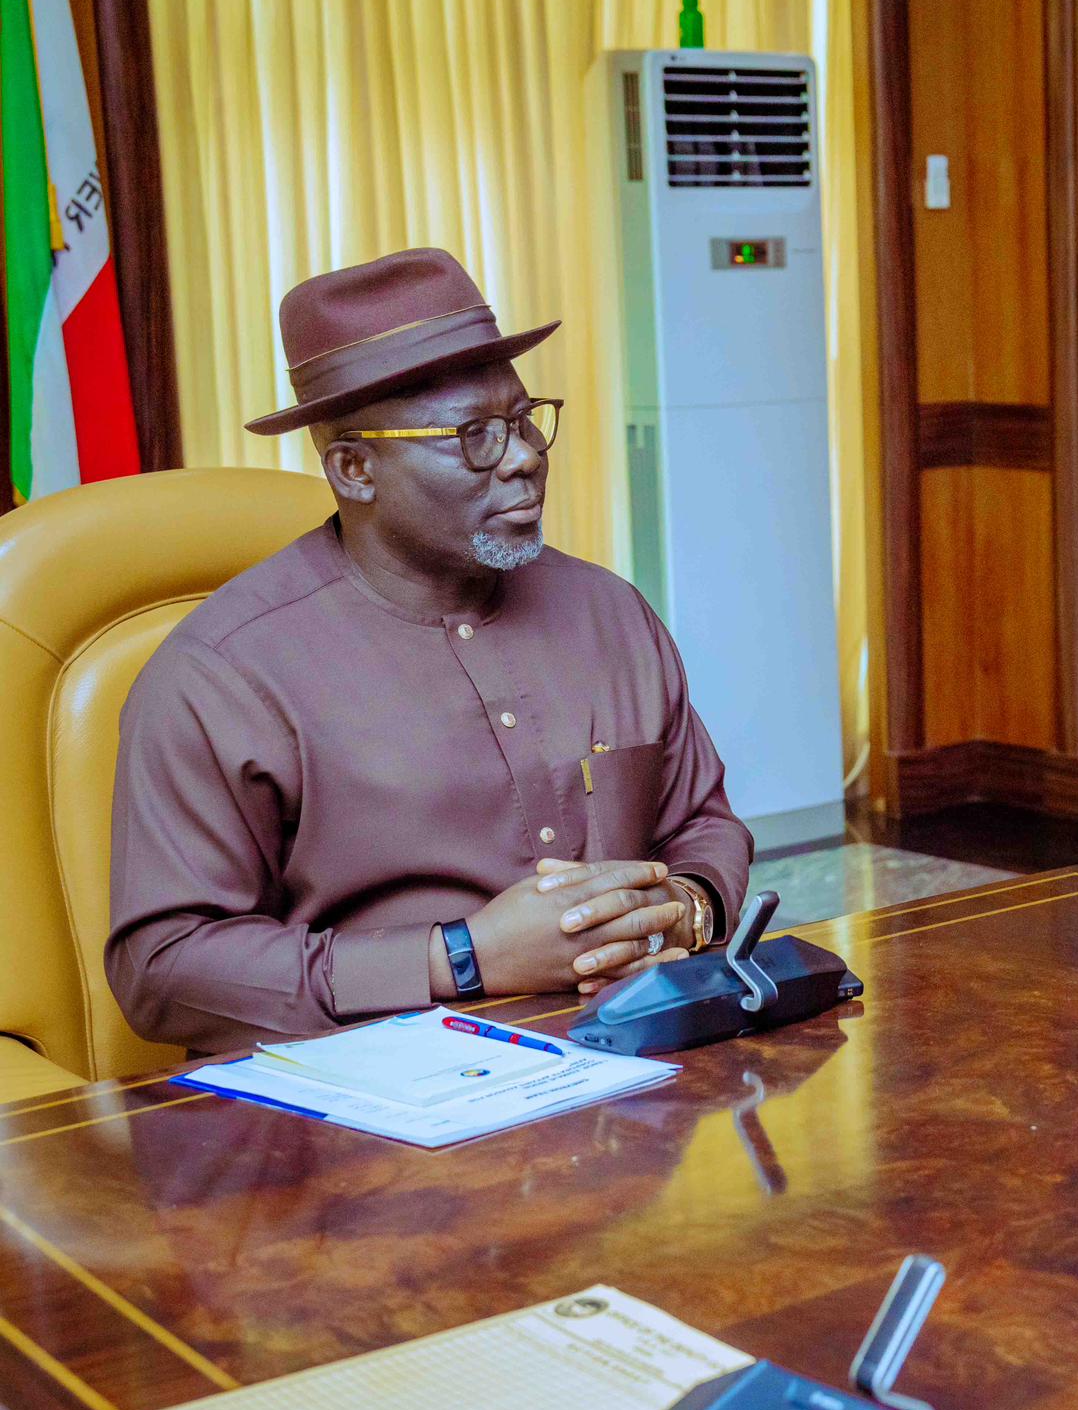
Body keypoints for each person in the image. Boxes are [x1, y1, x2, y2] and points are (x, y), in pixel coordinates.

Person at [107, 248, 752, 1053]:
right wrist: (461, 960)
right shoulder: (222, 676)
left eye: (523, 420)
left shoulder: (609, 612)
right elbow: (163, 970)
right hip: (366, 1119)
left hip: (628, 1077)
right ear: (354, 468)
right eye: (473, 436)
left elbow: (703, 825)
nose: (523, 456)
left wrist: (683, 908)